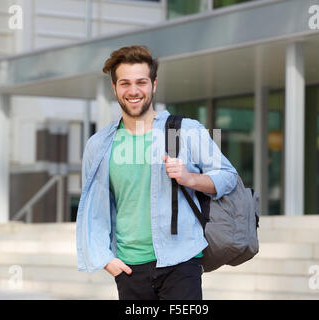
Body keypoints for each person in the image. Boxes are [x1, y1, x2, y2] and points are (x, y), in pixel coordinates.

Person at [76, 45, 238, 300]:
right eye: (125, 83)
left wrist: (190, 178)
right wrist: (106, 259)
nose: (133, 90)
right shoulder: (100, 144)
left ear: (154, 84)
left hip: (181, 261)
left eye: (141, 82)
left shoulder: (184, 130)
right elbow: (95, 207)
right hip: (130, 269)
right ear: (114, 88)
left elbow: (228, 176)